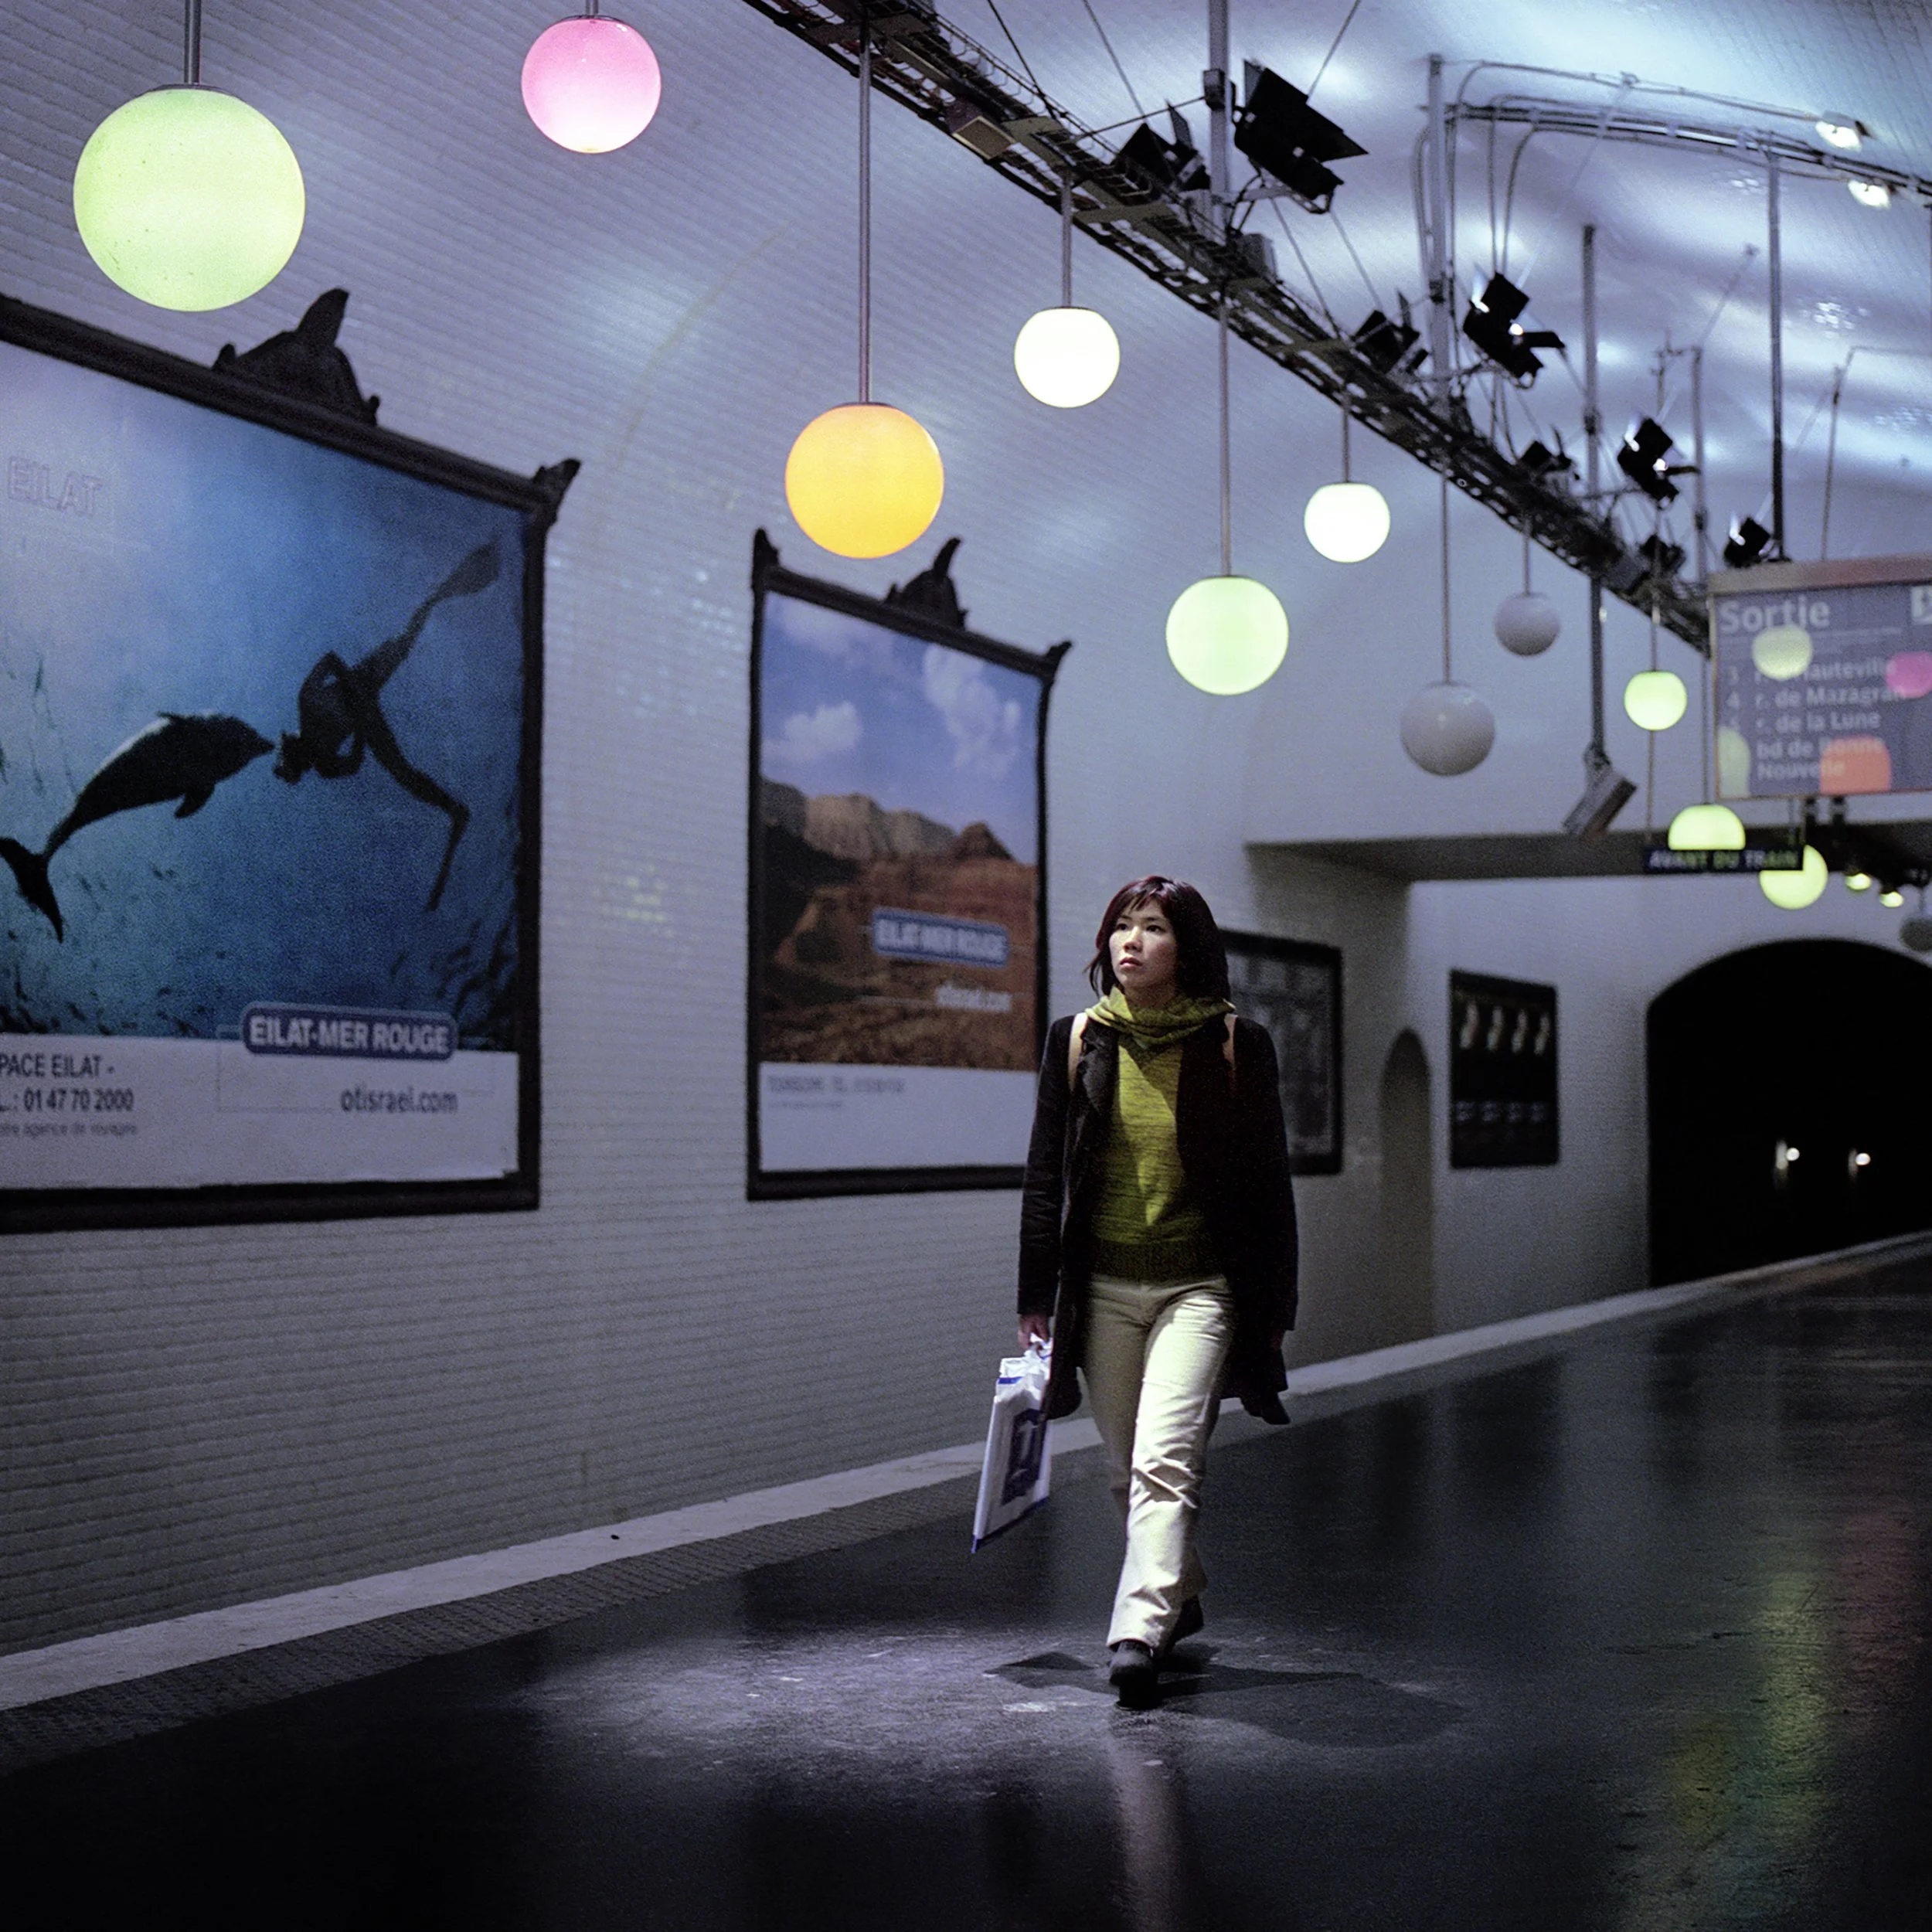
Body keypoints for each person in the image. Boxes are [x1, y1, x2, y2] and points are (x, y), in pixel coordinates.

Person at [1017, 876, 1297, 1708]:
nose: (1129, 942)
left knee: (1164, 1461)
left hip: (1199, 1290)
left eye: (1151, 928)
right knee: (1120, 1470)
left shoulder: (1234, 1045)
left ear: (1189, 948)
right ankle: (1179, 1587)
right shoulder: (1077, 1041)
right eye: (1120, 928)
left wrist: (1273, 1310)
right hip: (1100, 1286)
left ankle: (1137, 1629)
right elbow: (1043, 1177)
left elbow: (1266, 1187)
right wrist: (1034, 1292)